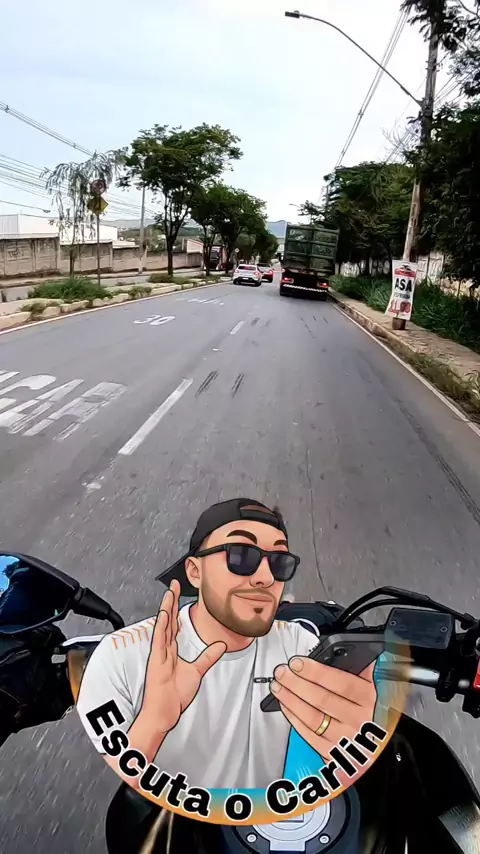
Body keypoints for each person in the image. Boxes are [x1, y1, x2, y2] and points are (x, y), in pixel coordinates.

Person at [76, 498, 377, 791]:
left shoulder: (301, 645)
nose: (265, 578)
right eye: (240, 555)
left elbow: (334, 763)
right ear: (195, 572)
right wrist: (154, 721)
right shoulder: (123, 655)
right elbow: (130, 785)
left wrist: (353, 748)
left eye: (279, 562)